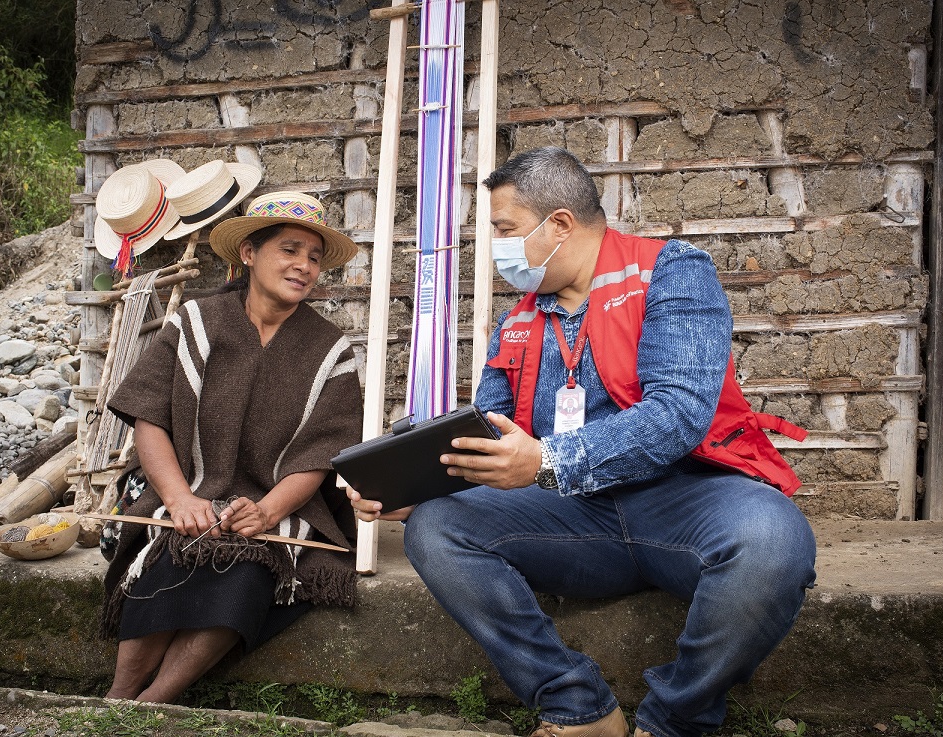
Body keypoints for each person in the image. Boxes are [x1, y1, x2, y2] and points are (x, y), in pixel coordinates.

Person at [349, 147, 817, 737]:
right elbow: (489, 434)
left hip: (685, 502)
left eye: (505, 229)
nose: (496, 245)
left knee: (772, 541)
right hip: (573, 519)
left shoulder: (672, 270)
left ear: (560, 224)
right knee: (437, 529)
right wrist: (415, 485)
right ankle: (578, 708)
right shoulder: (519, 320)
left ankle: (674, 720)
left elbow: (679, 414)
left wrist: (547, 460)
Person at [101, 191, 363, 703]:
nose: (304, 267)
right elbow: (148, 419)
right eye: (289, 250)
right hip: (186, 486)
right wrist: (179, 499)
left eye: (314, 257)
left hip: (280, 501)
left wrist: (266, 512)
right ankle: (118, 695)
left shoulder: (331, 350)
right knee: (176, 549)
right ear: (249, 253)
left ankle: (154, 703)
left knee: (248, 567)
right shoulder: (196, 323)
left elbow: (319, 457)